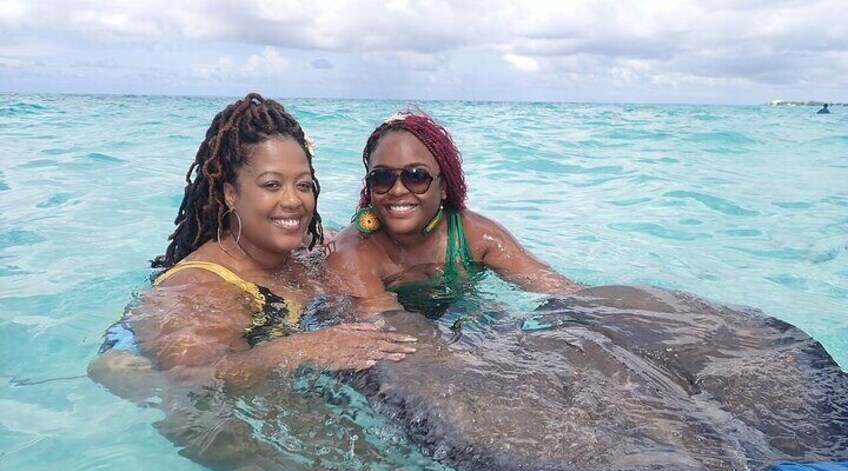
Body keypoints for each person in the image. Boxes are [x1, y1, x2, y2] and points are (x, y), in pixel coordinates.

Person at [92, 93, 416, 389]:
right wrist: (303, 349)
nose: (293, 201)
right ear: (231, 193)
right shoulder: (199, 286)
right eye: (272, 185)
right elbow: (193, 378)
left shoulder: (313, 248)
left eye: (303, 185)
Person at [325, 109, 584, 316]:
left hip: (460, 309)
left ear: (445, 187)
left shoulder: (477, 237)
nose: (398, 190)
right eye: (382, 177)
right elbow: (390, 330)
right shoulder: (351, 254)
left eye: (416, 176)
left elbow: (561, 290)